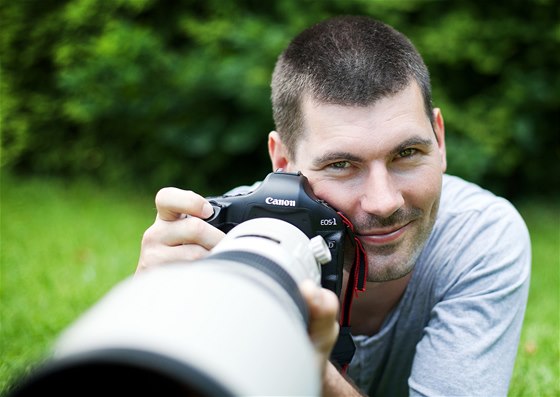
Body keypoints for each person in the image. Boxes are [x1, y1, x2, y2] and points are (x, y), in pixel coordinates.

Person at [136, 15, 531, 396]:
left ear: (439, 139)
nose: (384, 202)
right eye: (341, 165)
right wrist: (150, 317)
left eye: (407, 153)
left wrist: (307, 367)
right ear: (283, 164)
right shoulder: (228, 244)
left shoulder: (478, 236)